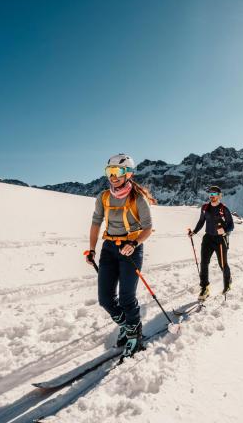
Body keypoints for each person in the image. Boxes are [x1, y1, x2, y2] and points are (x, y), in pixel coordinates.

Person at [85, 153, 156, 358]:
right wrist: (91, 249)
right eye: (109, 172)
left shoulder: (138, 198)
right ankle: (126, 325)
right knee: (105, 299)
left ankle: (135, 335)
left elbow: (148, 228)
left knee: (126, 297)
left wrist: (134, 243)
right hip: (109, 249)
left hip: (131, 249)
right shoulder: (104, 197)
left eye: (117, 172)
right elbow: (96, 223)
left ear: (128, 174)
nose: (113, 176)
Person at [187, 185, 234, 301]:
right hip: (208, 238)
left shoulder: (224, 209)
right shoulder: (205, 208)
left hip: (220, 240)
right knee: (204, 263)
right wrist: (194, 232)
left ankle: (227, 283)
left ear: (219, 196)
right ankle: (204, 287)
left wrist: (225, 230)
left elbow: (231, 225)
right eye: (210, 194)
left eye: (214, 194)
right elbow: (201, 221)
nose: (212, 196)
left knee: (222, 264)